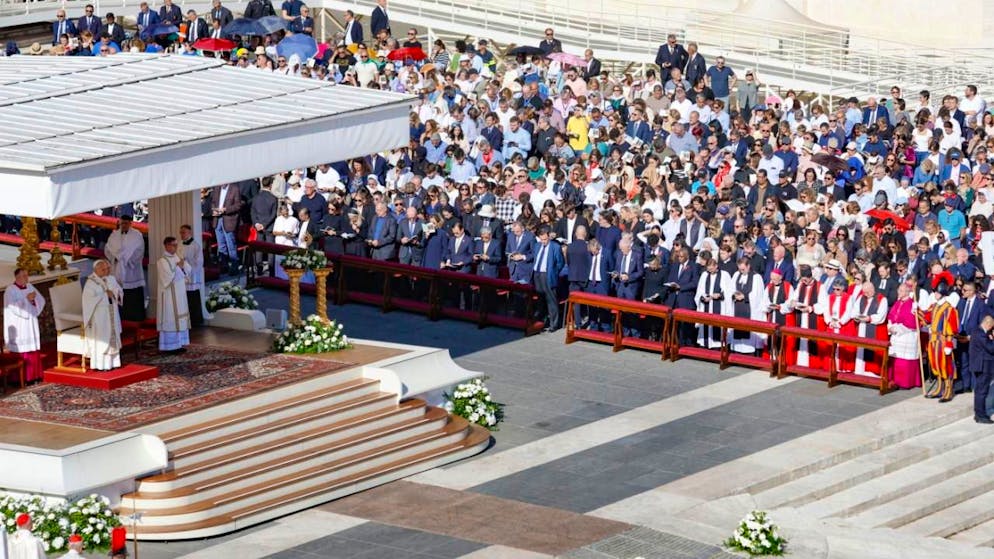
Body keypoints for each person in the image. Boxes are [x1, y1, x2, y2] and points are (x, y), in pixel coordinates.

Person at [3, 269, 45, 383]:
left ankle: (35, 376)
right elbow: (12, 307)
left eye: (27, 275)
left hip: (30, 321)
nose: (27, 278)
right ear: (17, 277)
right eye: (24, 276)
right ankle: (21, 378)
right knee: (24, 350)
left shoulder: (30, 286)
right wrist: (27, 299)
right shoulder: (10, 290)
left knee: (32, 349)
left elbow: (41, 300)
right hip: (19, 324)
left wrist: (33, 300)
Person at [82, 259, 123, 371]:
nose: (106, 271)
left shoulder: (111, 278)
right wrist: (106, 295)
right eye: (103, 269)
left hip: (111, 312)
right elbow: (88, 300)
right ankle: (101, 365)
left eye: (107, 269)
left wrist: (115, 293)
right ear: (96, 270)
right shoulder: (90, 283)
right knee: (102, 339)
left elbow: (119, 291)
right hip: (99, 316)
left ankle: (114, 363)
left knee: (112, 337)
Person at [926, 272, 960, 402]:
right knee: (936, 365)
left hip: (943, 341)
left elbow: (953, 328)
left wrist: (949, 345)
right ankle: (939, 388)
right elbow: (927, 318)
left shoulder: (950, 309)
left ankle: (948, 390)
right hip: (933, 340)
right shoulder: (934, 306)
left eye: (936, 292)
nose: (934, 294)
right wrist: (916, 310)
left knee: (946, 365)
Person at [104, 215, 146, 322]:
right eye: (122, 223)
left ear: (130, 223)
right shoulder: (114, 235)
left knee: (132, 296)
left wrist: (129, 261)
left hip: (131, 270)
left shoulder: (137, 235)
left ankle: (135, 318)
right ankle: (121, 318)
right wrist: (114, 258)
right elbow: (107, 249)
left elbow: (140, 250)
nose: (123, 225)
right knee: (118, 292)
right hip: (117, 268)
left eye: (126, 223)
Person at [157, 237, 192, 355]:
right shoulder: (162, 261)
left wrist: (183, 267)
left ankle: (179, 343)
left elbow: (188, 270)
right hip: (169, 296)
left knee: (180, 317)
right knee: (171, 318)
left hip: (180, 293)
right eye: (173, 245)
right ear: (166, 245)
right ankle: (169, 346)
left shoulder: (176, 257)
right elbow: (168, 278)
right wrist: (180, 267)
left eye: (176, 245)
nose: (175, 248)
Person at [849, 281, 889, 376]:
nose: (865, 294)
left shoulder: (881, 299)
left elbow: (881, 316)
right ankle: (860, 370)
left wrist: (869, 318)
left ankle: (871, 372)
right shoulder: (861, 297)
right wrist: (856, 316)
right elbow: (854, 310)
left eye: (867, 292)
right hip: (861, 328)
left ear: (872, 289)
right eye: (864, 292)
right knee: (861, 350)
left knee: (871, 351)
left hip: (873, 328)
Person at [888, 281, 922, 390]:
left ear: (908, 292)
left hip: (907, 335)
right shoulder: (898, 302)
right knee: (896, 359)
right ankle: (894, 380)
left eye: (901, 290)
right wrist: (890, 326)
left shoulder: (913, 304)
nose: (899, 292)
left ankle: (905, 382)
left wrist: (897, 328)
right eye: (899, 290)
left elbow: (912, 322)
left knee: (904, 362)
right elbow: (891, 315)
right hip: (896, 335)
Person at [730, 256, 767, 354]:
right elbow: (731, 288)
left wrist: (744, 296)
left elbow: (757, 295)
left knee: (748, 330)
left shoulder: (756, 277)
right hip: (737, 308)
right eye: (740, 269)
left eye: (743, 269)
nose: (741, 271)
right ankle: (737, 351)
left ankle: (749, 353)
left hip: (749, 309)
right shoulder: (736, 275)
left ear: (748, 266)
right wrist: (734, 295)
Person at [532, 225, 564, 332]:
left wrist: (553, 272)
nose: (543, 241)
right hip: (537, 274)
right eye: (541, 239)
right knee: (540, 299)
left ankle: (553, 324)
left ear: (549, 236)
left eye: (545, 239)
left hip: (548, 275)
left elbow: (560, 263)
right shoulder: (537, 246)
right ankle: (541, 321)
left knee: (551, 300)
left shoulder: (555, 247)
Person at [695, 258, 731, 348]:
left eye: (712, 269)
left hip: (719, 306)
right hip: (706, 306)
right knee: (705, 329)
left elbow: (729, 292)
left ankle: (717, 347)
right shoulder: (704, 275)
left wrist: (720, 295)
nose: (710, 271)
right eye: (708, 269)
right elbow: (699, 291)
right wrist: (703, 297)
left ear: (716, 266)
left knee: (718, 330)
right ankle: (705, 346)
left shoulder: (724, 275)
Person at [178, 225, 205, 327]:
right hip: (181, 275)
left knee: (193, 299)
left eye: (183, 232)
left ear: (189, 233)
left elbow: (199, 262)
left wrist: (187, 265)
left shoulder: (195, 245)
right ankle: (185, 320)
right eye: (180, 232)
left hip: (191, 276)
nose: (181, 234)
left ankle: (196, 321)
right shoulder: (179, 244)